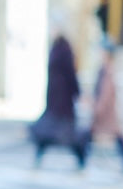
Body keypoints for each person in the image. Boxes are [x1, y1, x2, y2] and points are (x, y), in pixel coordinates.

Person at [29, 15, 87, 169]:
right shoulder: (55, 46)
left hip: (63, 100)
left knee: (65, 134)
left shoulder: (64, 48)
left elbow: (71, 74)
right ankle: (38, 159)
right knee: (48, 131)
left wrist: (77, 93)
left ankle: (80, 157)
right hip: (54, 99)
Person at [90, 37, 123, 174]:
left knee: (115, 135)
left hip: (106, 111)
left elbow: (106, 92)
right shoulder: (106, 68)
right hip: (107, 111)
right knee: (114, 135)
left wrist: (98, 108)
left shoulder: (108, 69)